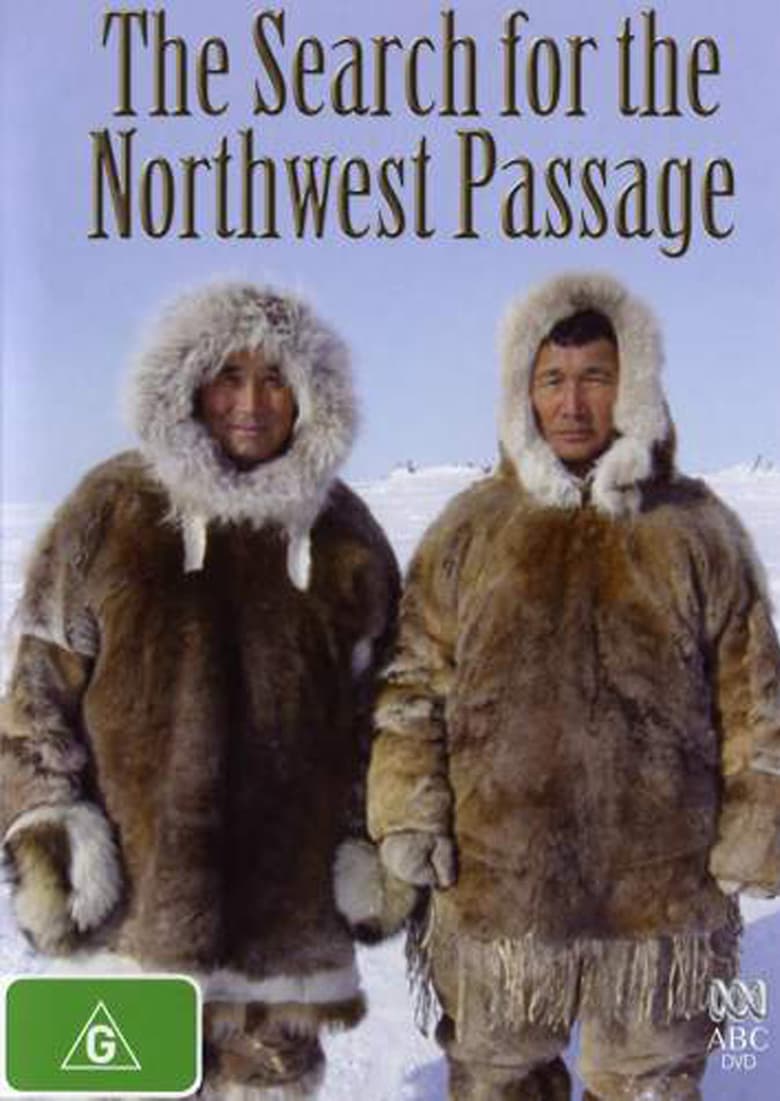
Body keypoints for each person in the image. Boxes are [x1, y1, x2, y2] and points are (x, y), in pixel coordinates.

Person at [367, 271, 780, 1101]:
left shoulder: (696, 530)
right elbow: (411, 687)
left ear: (634, 384)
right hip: (499, 893)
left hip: (660, 901)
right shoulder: (469, 530)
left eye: (596, 376)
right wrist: (409, 808)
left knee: (650, 1081)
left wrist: (757, 818)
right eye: (552, 379)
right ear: (523, 391)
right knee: (498, 1077)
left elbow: (753, 695)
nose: (573, 402)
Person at [0, 281, 413, 1100]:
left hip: (284, 934)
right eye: (229, 375)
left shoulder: (348, 537)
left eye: (275, 378)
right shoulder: (110, 511)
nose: (250, 404)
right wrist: (49, 819)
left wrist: (368, 839)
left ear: (310, 395)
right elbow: (37, 695)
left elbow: (387, 712)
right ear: (188, 383)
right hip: (136, 920)